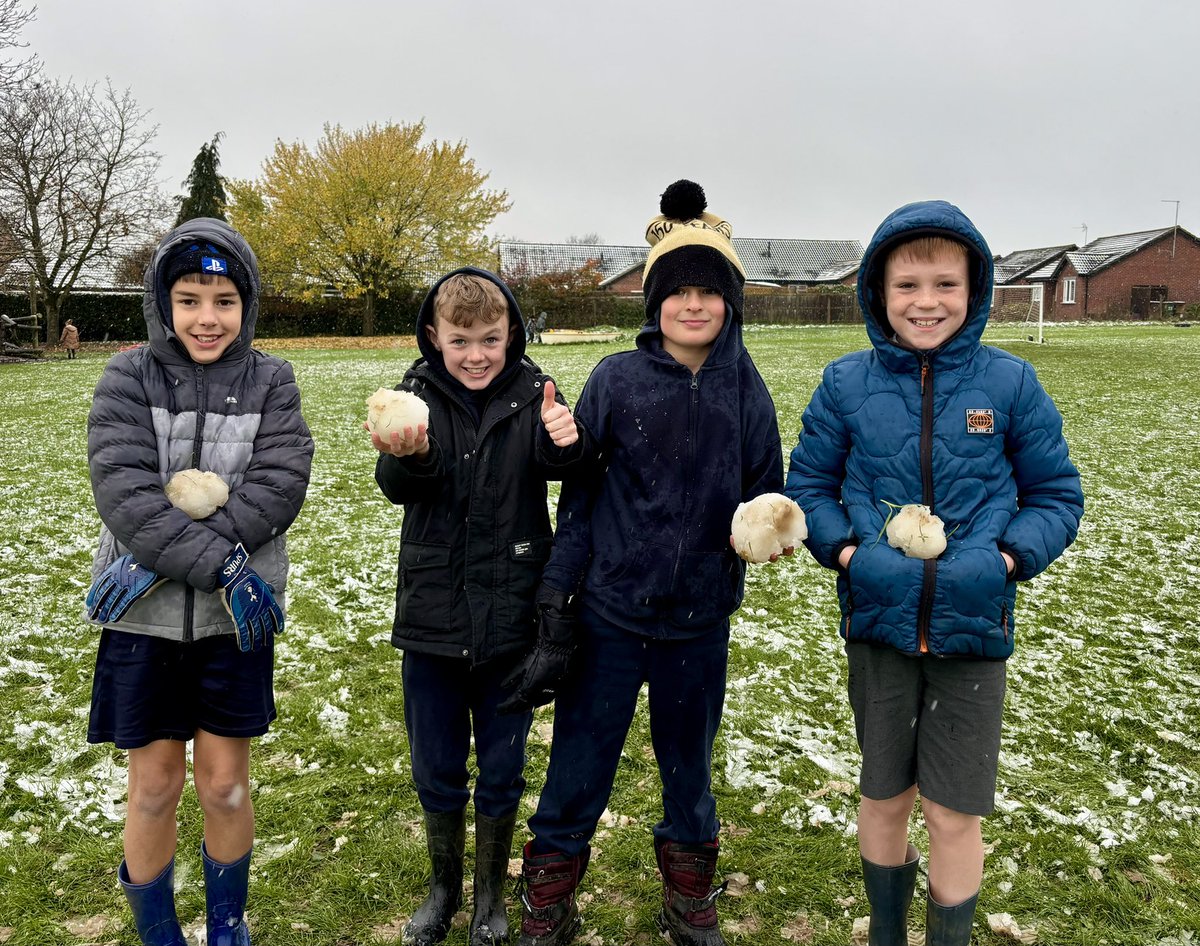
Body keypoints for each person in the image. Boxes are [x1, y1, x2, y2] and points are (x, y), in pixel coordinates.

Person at [786, 200, 1084, 946]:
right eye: (908, 286)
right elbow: (810, 486)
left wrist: (1007, 560)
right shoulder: (845, 384)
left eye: (945, 284)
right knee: (885, 798)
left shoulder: (1010, 384)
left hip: (974, 633)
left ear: (975, 290)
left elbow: (1056, 494)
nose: (927, 302)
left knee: (954, 813)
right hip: (879, 630)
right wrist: (850, 555)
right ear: (878, 294)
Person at [510, 181, 783, 946]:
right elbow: (581, 494)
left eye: (709, 291)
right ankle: (548, 895)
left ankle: (690, 895)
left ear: (730, 302)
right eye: (678, 291)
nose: (693, 305)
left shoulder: (746, 391)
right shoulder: (615, 380)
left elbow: (768, 492)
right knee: (578, 764)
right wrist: (558, 599)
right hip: (610, 615)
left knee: (688, 768)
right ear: (653, 301)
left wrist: (772, 529)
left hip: (698, 621)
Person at [84, 217, 314, 946]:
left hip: (233, 620)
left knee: (224, 784)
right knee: (154, 787)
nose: (206, 318)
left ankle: (227, 927)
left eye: (223, 300)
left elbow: (277, 486)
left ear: (246, 304)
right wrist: (204, 559)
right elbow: (124, 492)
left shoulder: (272, 379)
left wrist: (165, 551)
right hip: (142, 622)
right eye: (189, 299)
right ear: (163, 302)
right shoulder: (126, 377)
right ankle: (159, 936)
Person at [369, 267, 592, 946]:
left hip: (510, 622)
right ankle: (443, 890)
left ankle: (492, 896)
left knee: (501, 769)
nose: (475, 354)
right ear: (435, 337)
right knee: (436, 768)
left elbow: (569, 472)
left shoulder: (535, 395)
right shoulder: (413, 394)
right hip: (432, 620)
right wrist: (411, 454)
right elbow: (396, 484)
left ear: (512, 334)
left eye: (490, 339)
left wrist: (568, 441)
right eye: (460, 340)